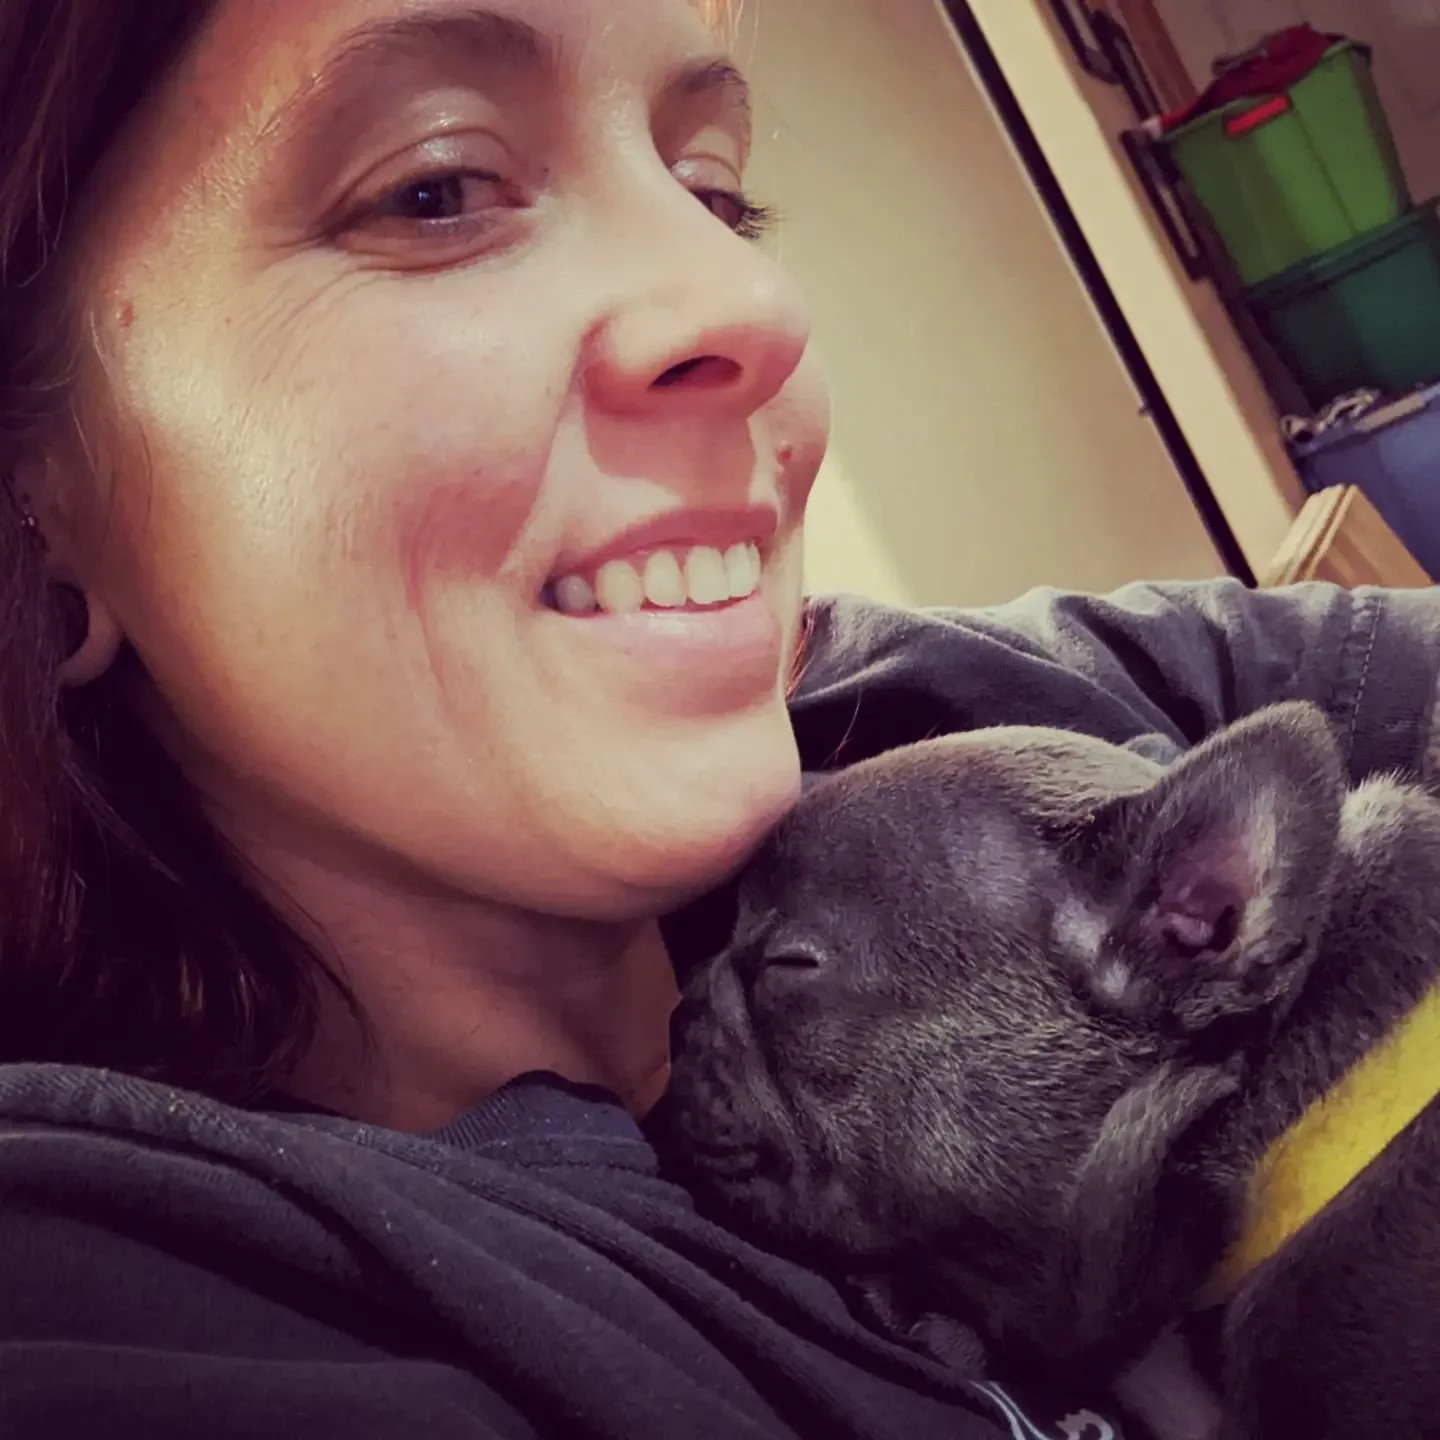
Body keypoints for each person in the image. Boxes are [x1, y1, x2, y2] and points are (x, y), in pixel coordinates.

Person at [0, 3, 1437, 1437]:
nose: (753, 303)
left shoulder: (979, 714)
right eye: (435, 187)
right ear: (41, 494)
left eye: (716, 193)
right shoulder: (139, 1287)